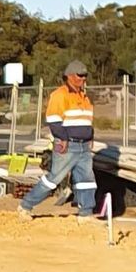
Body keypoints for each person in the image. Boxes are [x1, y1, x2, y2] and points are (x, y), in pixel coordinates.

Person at [19, 60, 98, 219]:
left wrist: (90, 137)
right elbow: (53, 120)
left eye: (85, 76)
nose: (83, 79)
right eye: (80, 75)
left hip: (83, 147)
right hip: (67, 146)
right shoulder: (59, 95)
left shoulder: (85, 97)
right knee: (53, 179)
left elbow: (86, 121)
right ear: (69, 76)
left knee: (87, 181)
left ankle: (86, 214)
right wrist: (62, 139)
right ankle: (26, 206)